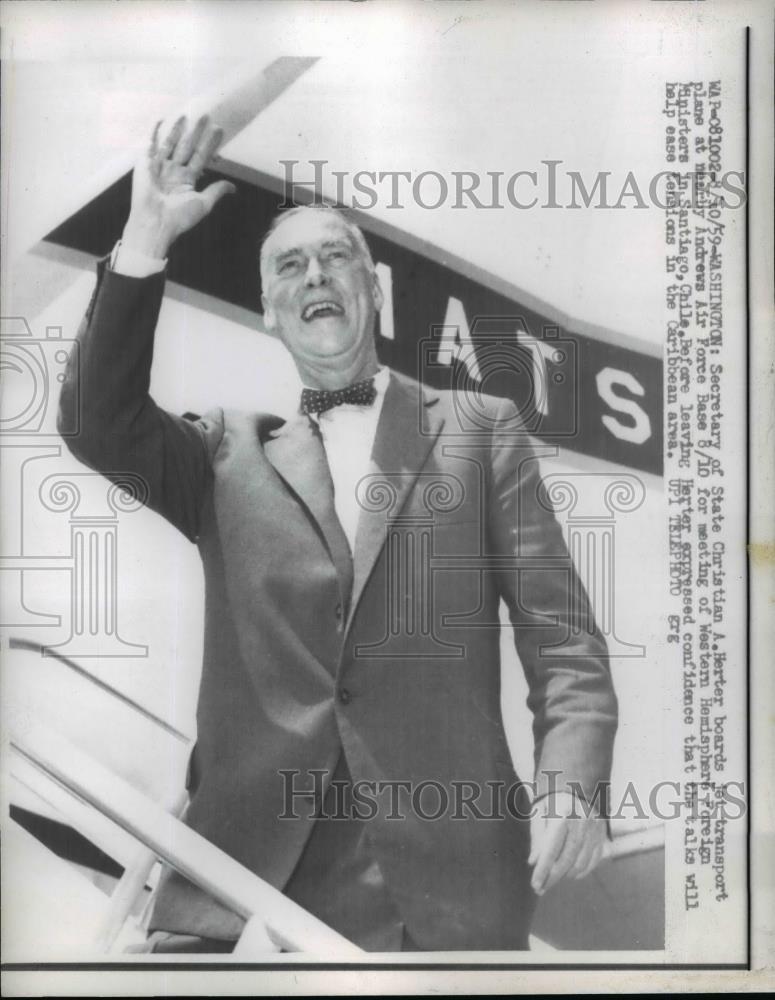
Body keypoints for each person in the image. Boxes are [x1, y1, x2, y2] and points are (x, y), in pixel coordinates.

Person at [58, 115, 618, 952]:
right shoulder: (222, 452)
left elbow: (563, 642)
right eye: (289, 266)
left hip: (445, 898)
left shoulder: (479, 429)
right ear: (271, 315)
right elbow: (98, 422)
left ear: (375, 291)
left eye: (336, 257)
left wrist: (569, 783)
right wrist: (146, 238)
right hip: (238, 893)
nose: (314, 274)